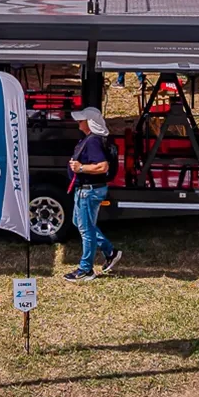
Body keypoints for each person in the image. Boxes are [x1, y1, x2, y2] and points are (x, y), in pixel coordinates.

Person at [64, 108, 124, 282]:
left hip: (88, 191)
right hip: (86, 190)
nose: (78, 123)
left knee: (86, 230)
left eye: (81, 120)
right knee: (80, 223)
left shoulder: (93, 142)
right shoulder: (92, 139)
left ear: (90, 123)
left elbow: (102, 166)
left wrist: (80, 168)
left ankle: (86, 269)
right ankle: (110, 252)